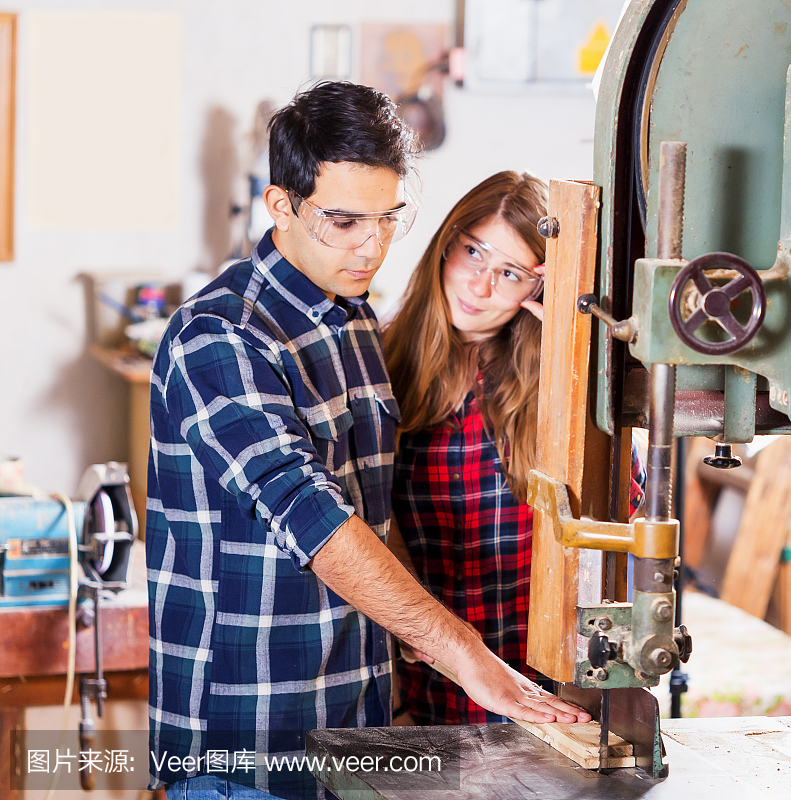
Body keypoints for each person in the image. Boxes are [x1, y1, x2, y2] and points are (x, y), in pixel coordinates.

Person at [145, 85, 587, 800]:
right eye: (344, 220)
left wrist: (419, 662)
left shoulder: (350, 322)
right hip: (250, 740)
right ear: (281, 205)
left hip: (357, 729)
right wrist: (466, 656)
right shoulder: (221, 336)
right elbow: (313, 518)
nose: (372, 246)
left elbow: (370, 517)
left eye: (388, 219)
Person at [381, 172, 644, 725]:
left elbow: (625, 513)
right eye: (474, 252)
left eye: (511, 273)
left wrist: (571, 356)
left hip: (548, 698)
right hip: (420, 695)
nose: (481, 286)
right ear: (445, 243)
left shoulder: (552, 380)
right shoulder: (375, 363)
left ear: (537, 287)